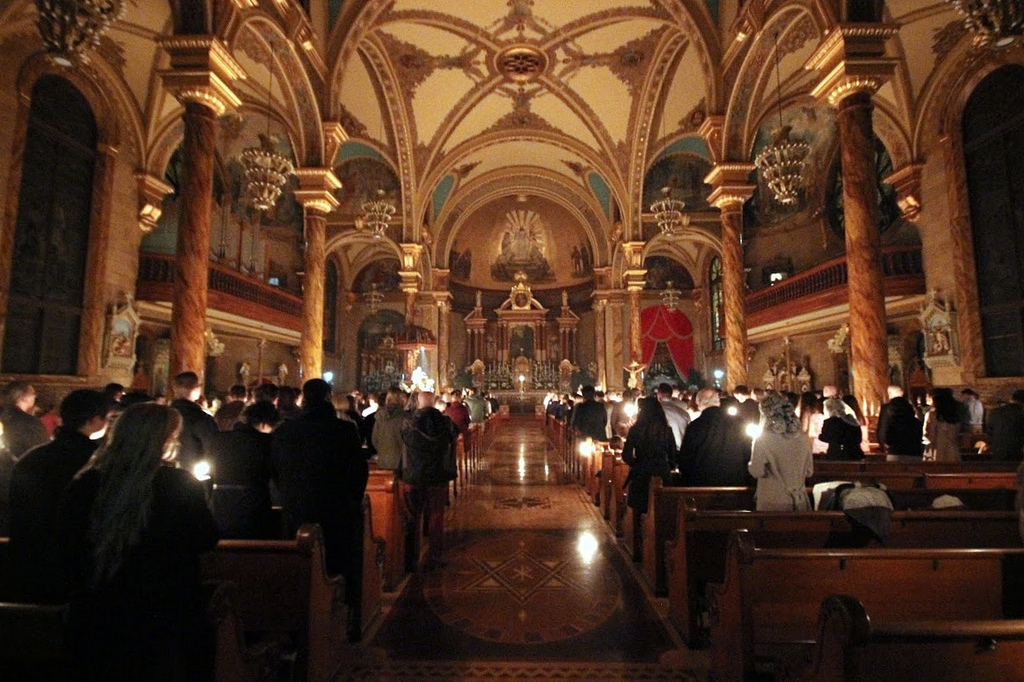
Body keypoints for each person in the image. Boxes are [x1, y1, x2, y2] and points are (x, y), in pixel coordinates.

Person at [59, 403, 218, 682]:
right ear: (164, 440)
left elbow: (67, 539)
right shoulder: (177, 484)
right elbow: (206, 537)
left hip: (97, 610)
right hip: (163, 612)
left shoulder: (86, 482)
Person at [9, 389, 108, 603]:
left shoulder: (32, 458)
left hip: (29, 560)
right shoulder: (97, 462)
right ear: (96, 420)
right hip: (76, 566)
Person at [273, 379, 368, 575]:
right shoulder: (344, 430)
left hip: (296, 506)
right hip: (336, 506)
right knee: (335, 563)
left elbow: (275, 468)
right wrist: (352, 501)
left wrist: (287, 494)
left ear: (303, 399)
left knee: (298, 566)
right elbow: (358, 470)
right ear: (328, 397)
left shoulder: (284, 430)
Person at [401, 391, 457, 571]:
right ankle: (434, 556)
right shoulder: (445, 421)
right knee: (436, 516)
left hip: (414, 475)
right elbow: (453, 437)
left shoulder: (407, 422)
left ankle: (411, 558)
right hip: (437, 475)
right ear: (434, 403)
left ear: (417, 403)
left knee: (412, 515)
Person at [208, 401, 279, 539]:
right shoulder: (266, 441)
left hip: (220, 503)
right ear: (264, 424)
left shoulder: (218, 439)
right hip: (254, 504)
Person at [748, 392, 814, 511]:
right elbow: (809, 471)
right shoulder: (803, 438)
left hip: (773, 500)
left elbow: (756, 471)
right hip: (799, 500)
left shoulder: (763, 439)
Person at [678, 388, 753, 487]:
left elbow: (685, 459)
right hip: (734, 481)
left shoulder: (695, 426)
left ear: (698, 402)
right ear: (718, 402)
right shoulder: (738, 422)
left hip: (702, 484)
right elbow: (748, 451)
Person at [621, 397, 674, 514]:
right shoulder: (666, 430)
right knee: (661, 509)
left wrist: (637, 464)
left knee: (640, 508)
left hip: (641, 471)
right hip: (661, 472)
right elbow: (673, 456)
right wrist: (666, 466)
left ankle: (639, 531)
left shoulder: (635, 430)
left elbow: (626, 455)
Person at [169, 371, 217, 469]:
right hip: (191, 472)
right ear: (196, 389)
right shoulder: (201, 418)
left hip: (163, 472)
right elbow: (213, 448)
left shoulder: (161, 415)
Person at [0, 380, 49, 459]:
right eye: (33, 394)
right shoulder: (31, 423)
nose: (35, 397)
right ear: (23, 398)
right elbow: (42, 451)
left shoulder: (3, 417)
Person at [372, 387, 408, 470]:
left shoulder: (380, 417)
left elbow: (375, 439)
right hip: (402, 462)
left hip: (384, 460)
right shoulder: (405, 417)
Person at [924, 387, 963, 462]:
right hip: (952, 449)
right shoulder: (955, 415)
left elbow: (929, 435)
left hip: (936, 449)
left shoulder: (932, 415)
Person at [986, 390, 1024, 461]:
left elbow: (989, 431)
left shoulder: (994, 412)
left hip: (997, 451)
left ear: (1011, 399)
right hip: (1017, 453)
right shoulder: (1021, 414)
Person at [656, 382, 690, 450]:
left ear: (659, 394)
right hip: (681, 450)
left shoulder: (655, 411)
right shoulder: (684, 412)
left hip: (662, 451)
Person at [877, 384, 905, 453]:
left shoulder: (886, 408)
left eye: (890, 393)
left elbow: (882, 426)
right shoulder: (909, 407)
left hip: (892, 446)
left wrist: (882, 443)